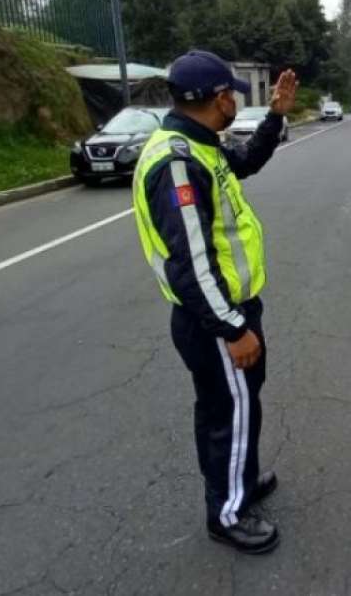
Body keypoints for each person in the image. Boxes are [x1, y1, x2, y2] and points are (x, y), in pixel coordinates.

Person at [131, 50, 297, 555]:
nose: (234, 102)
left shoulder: (201, 144)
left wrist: (276, 116)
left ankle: (239, 482)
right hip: (216, 319)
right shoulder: (178, 162)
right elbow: (191, 264)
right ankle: (227, 514)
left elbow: (245, 162)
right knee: (229, 412)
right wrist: (233, 328)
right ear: (215, 97)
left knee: (234, 407)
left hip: (229, 310)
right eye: (230, 94)